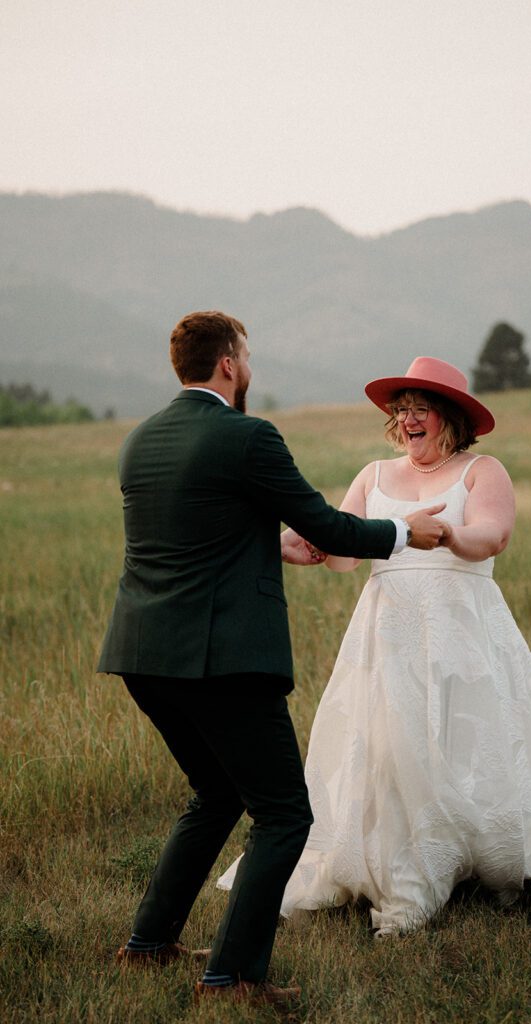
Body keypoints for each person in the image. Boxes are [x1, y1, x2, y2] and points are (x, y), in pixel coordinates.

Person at [97, 313, 447, 1007]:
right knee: (284, 813)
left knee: (217, 793)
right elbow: (327, 525)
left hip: (142, 655)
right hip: (222, 661)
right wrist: (407, 531)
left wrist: (265, 545)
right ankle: (232, 979)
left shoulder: (141, 440)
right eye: (246, 357)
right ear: (228, 364)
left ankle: (147, 945)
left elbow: (191, 537)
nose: (248, 369)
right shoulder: (246, 435)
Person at [218, 356, 531, 936]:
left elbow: (494, 535)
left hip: (462, 626)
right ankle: (400, 868)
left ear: (450, 417)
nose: (410, 419)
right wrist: (304, 548)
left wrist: (450, 534)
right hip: (387, 629)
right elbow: (346, 553)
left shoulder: (481, 470)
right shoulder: (373, 475)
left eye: (422, 409)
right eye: (403, 410)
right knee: (391, 743)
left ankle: (465, 857)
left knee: (466, 738)